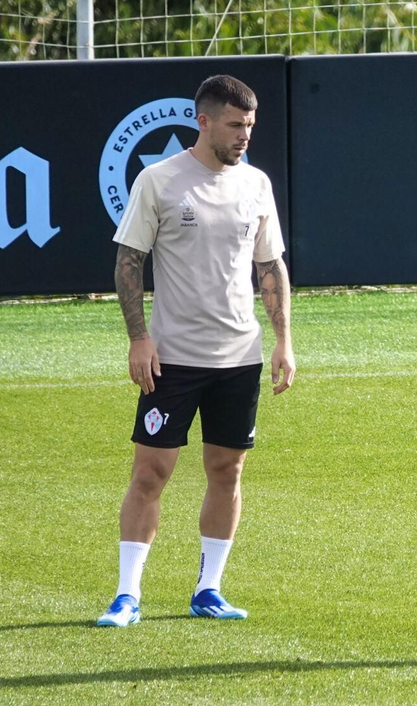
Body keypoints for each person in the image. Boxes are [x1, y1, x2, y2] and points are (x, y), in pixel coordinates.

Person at [96, 74, 295, 627]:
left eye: (250, 126)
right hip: (173, 358)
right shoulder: (159, 181)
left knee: (227, 470)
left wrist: (283, 342)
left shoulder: (256, 185)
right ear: (203, 121)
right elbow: (128, 261)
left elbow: (269, 267)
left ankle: (209, 588)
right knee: (150, 472)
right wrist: (139, 338)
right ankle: (127, 594)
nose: (244, 136)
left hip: (240, 357)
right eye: (235, 125)